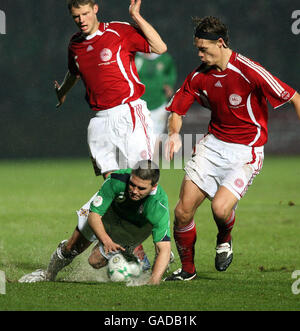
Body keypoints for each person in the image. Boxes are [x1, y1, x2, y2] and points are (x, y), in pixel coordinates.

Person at [164, 16, 300, 281]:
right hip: (213, 147)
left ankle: (224, 239)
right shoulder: (198, 76)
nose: (199, 54)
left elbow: (294, 96)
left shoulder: (248, 70)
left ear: (221, 43)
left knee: (220, 209)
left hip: (245, 152)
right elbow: (177, 110)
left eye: (204, 48)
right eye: (197, 49)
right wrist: (173, 135)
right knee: (182, 212)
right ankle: (188, 270)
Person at [54, 0, 167, 179]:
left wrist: (136, 17)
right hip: (100, 121)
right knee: (111, 184)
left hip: (128, 112)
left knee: (142, 176)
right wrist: (62, 92)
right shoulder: (75, 44)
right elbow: (74, 73)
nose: (81, 20)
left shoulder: (118, 31)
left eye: (85, 14)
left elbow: (160, 48)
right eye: (76, 16)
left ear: (95, 9)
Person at [19, 160, 172, 286]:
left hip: (133, 224)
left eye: (141, 188)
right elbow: (94, 216)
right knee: (72, 247)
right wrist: (106, 240)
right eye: (132, 184)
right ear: (130, 176)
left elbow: (164, 248)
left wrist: (153, 282)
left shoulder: (159, 206)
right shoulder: (116, 181)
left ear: (154, 187)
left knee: (95, 261)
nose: (134, 190)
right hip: (106, 211)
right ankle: (48, 275)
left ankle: (132, 260)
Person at [135, 52, 177, 135]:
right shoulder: (134, 56)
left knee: (155, 136)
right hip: (136, 105)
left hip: (158, 103)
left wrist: (169, 85)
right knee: (137, 137)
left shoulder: (165, 58)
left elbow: (171, 74)